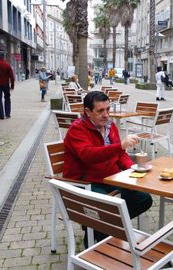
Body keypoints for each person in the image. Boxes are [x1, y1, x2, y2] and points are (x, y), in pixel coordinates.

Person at [63, 91, 153, 244]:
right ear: (87, 112)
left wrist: (132, 167)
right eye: (100, 111)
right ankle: (98, 238)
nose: (106, 115)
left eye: (108, 110)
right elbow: (88, 155)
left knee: (144, 199)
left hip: (109, 179)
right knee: (107, 207)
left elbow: (121, 155)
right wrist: (120, 146)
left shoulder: (110, 127)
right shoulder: (77, 129)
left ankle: (100, 228)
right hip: (85, 183)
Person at [0, 51, 15, 119]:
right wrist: (12, 86)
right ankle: (7, 114)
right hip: (5, 84)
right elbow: (12, 76)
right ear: (4, 57)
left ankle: (1, 114)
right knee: (7, 98)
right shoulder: (7, 65)